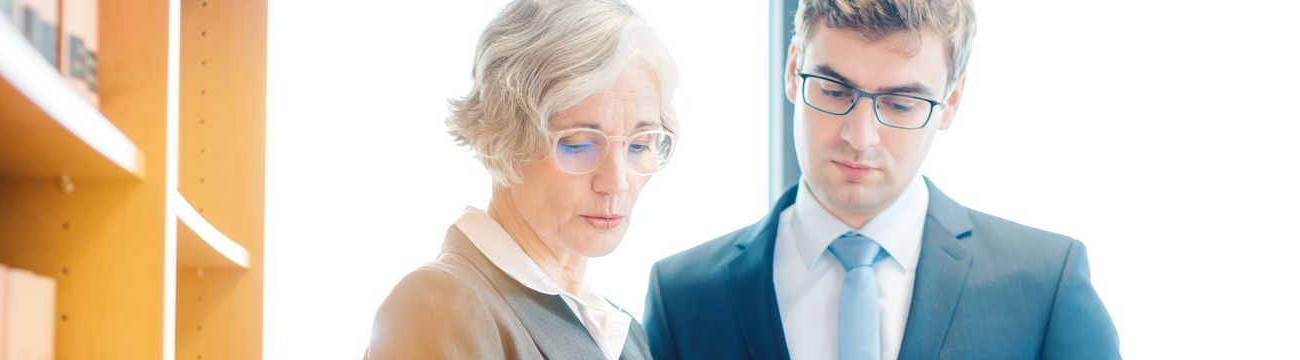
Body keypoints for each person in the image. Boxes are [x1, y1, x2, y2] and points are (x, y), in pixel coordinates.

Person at [643, 0, 1120, 359]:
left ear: (950, 103)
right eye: (832, 91)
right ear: (793, 70)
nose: (860, 136)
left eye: (900, 104)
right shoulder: (684, 297)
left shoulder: (1045, 285)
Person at [366, 0, 678, 359]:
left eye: (639, 145)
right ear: (503, 140)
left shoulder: (624, 334)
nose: (617, 182)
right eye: (578, 145)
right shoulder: (444, 305)